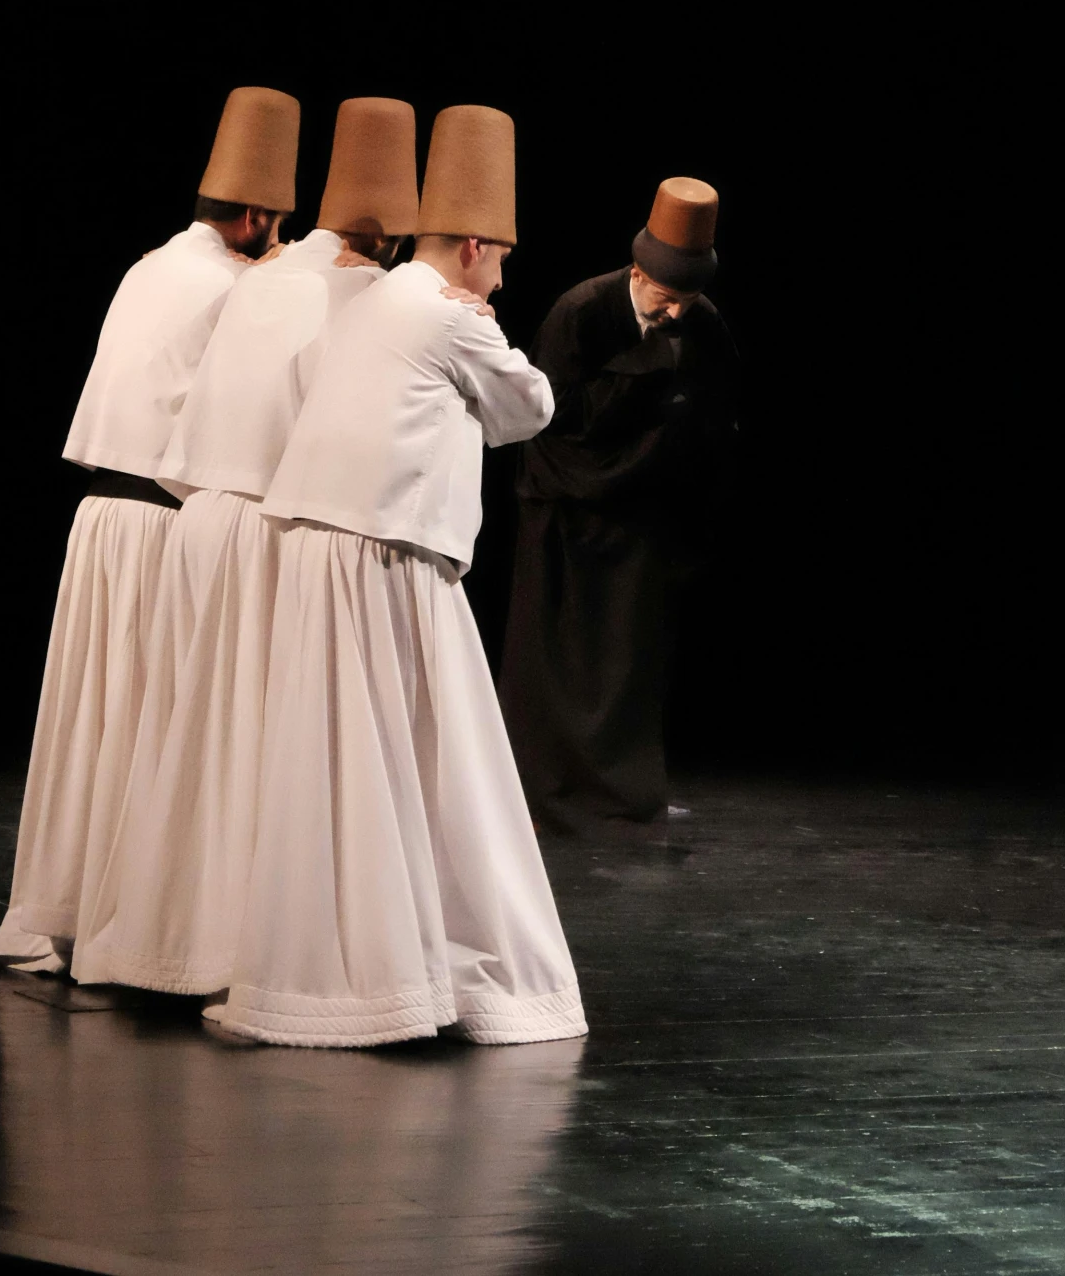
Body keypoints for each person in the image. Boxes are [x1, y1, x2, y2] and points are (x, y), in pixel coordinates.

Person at [222, 105, 586, 1047]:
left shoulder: (374, 299)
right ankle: (397, 979)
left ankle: (348, 966)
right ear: (473, 244)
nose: (500, 275)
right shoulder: (441, 311)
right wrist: (481, 323)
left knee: (341, 759)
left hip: (322, 539)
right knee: (429, 755)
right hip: (380, 552)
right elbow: (530, 406)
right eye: (498, 257)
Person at [73, 97, 423, 995]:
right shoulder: (296, 285)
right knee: (222, 743)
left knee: (145, 743)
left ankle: (106, 914)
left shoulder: (156, 265)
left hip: (134, 517)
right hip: (188, 515)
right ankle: (220, 938)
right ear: (262, 213)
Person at [0, 87, 298, 971]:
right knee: (147, 724)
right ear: (251, 216)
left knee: (94, 716)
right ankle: (131, 921)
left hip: (99, 518)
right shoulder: (236, 284)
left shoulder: (151, 263)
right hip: (163, 521)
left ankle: (61, 909)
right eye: (275, 224)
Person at [500, 176, 740, 834]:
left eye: (687, 301)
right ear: (637, 272)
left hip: (641, 518)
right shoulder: (581, 310)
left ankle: (623, 794)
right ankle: (544, 796)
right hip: (567, 510)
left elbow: (713, 422)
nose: (675, 313)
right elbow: (549, 414)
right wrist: (647, 368)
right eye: (665, 298)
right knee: (555, 663)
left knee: (627, 664)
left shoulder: (700, 323)